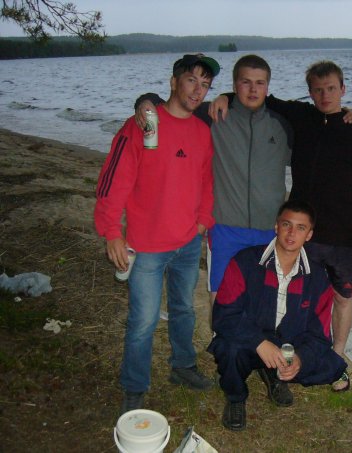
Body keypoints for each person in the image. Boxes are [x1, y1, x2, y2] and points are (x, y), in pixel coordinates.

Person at [210, 60, 352, 391]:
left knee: (342, 297)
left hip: (344, 237)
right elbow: (259, 97)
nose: (325, 95)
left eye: (331, 88)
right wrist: (226, 96)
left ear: (343, 89)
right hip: (303, 234)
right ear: (310, 92)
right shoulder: (301, 119)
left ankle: (336, 358)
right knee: (294, 297)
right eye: (318, 89)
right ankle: (280, 356)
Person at [94, 53, 219, 414]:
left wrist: (203, 220)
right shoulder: (144, 124)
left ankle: (183, 366)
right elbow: (114, 181)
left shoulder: (202, 132)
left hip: (187, 243)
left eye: (205, 85)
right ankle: (134, 385)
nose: (198, 90)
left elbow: (207, 180)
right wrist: (112, 232)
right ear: (174, 81)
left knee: (183, 310)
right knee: (143, 321)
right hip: (146, 246)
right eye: (192, 80)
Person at [134, 55, 292, 304]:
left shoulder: (282, 126)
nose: (253, 89)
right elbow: (173, 106)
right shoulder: (213, 116)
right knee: (221, 303)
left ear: (267, 86)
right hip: (225, 228)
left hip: (269, 231)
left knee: (263, 303)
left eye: (260, 83)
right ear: (235, 84)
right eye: (246, 82)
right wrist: (145, 102)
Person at [208, 200, 347, 431]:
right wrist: (259, 343)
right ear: (276, 226)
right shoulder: (245, 261)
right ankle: (235, 398)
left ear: (309, 235)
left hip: (287, 346)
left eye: (300, 228)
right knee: (227, 347)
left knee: (332, 364)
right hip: (251, 343)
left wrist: (300, 358)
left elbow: (320, 336)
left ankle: (275, 374)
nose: (292, 233)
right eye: (286, 224)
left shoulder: (318, 278)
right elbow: (223, 315)